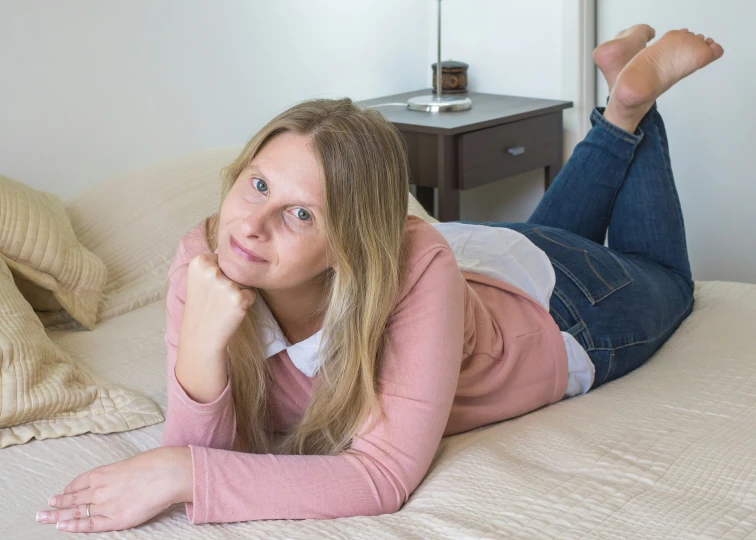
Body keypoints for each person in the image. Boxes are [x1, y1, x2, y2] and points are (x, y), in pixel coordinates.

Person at [38, 26, 724, 533]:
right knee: (551, 234)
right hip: (485, 254)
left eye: (300, 212)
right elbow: (204, 445)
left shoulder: (413, 266)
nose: (251, 224)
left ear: (351, 243)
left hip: (556, 313)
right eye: (257, 184)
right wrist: (199, 348)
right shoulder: (208, 255)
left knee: (668, 279)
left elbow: (381, 475)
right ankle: (620, 106)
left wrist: (180, 472)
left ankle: (634, 103)